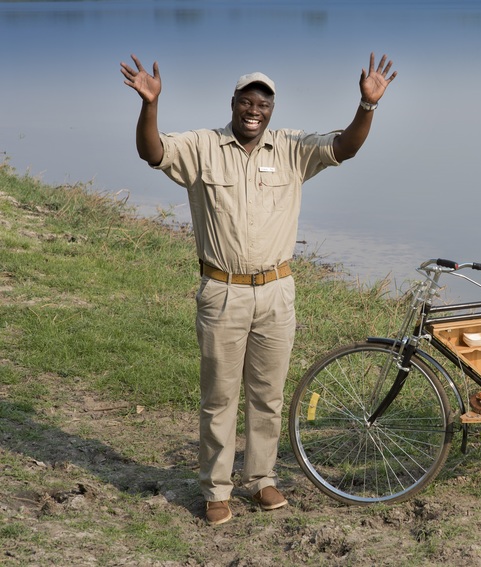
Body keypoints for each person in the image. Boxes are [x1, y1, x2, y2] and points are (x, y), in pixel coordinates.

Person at [120, 53, 396, 525]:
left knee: (267, 396)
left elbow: (344, 148)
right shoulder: (203, 146)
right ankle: (216, 489)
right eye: (247, 102)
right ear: (233, 103)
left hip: (276, 292)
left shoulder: (291, 147)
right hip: (221, 291)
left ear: (272, 110)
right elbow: (153, 153)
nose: (254, 110)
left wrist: (366, 107)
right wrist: (151, 104)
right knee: (219, 397)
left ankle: (262, 480)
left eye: (263, 104)